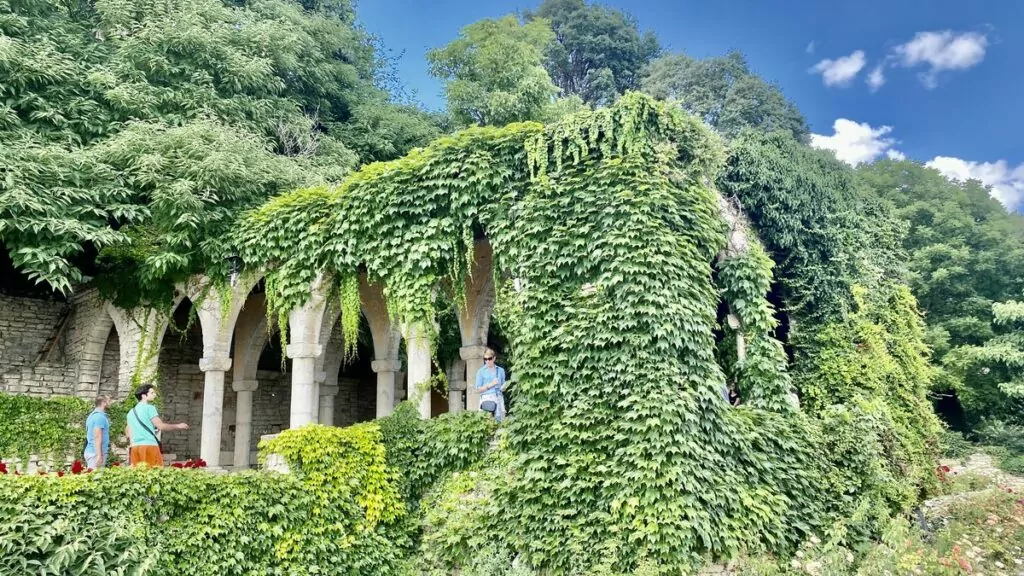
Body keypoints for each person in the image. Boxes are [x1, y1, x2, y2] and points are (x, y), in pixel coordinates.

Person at [125, 384, 188, 467]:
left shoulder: (131, 412)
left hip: (135, 447)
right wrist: (178, 426)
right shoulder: (149, 408)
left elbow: (128, 432)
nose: (154, 395)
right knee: (154, 474)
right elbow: (160, 426)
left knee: (138, 475)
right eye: (152, 393)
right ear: (144, 395)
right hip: (149, 446)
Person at [475, 348, 506, 422]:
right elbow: (477, 390)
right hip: (486, 398)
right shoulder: (481, 371)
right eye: (485, 359)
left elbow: (503, 386)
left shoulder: (500, 370)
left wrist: (504, 387)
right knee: (486, 422)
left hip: (498, 398)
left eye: (489, 359)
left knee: (500, 422)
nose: (487, 361)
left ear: (494, 358)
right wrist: (491, 385)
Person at [83, 395, 112, 469]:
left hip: (92, 451)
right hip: (95, 453)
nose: (111, 403)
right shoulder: (99, 417)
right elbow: (97, 436)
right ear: (103, 403)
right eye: (109, 401)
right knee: (95, 478)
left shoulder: (92, 415)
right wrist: (99, 455)